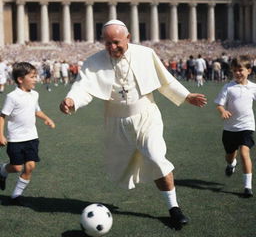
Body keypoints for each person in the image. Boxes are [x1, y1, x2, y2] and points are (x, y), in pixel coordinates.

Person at [60, 20, 207, 228]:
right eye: (107, 43)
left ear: (128, 38)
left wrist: (186, 95)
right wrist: (72, 100)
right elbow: (83, 87)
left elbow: (165, 80)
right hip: (116, 123)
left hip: (146, 117)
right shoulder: (94, 62)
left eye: (117, 42)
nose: (112, 47)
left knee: (157, 158)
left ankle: (174, 208)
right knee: (121, 167)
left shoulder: (145, 55)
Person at [0, 62, 55, 206]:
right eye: (32, 77)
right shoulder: (12, 97)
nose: (36, 79)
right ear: (20, 79)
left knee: (30, 166)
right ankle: (3, 170)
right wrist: (1, 135)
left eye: (36, 76)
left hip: (32, 138)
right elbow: (2, 116)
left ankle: (16, 196)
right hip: (15, 139)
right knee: (17, 167)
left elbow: (36, 111)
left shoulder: (35, 94)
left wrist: (47, 118)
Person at [215, 55, 256, 198]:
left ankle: (247, 187)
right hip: (230, 129)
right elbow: (219, 104)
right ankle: (231, 164)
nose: (238, 73)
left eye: (241, 70)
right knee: (229, 156)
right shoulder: (228, 87)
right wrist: (223, 111)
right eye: (235, 71)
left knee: (245, 153)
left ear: (249, 71)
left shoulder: (253, 88)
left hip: (246, 126)